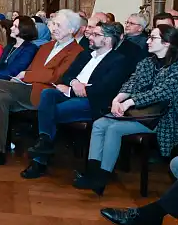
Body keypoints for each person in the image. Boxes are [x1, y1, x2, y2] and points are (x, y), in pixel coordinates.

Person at [74, 25, 178, 195]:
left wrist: (130, 102)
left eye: (153, 38)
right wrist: (118, 99)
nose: (148, 41)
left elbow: (161, 92)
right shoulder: (147, 62)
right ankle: (93, 173)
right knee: (99, 124)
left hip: (164, 117)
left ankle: (102, 179)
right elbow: (132, 83)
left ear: (167, 43)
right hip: (140, 111)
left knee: (114, 128)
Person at [0, 10, 84, 167]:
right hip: (28, 88)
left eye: (58, 25)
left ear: (71, 30)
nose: (53, 28)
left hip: (44, 94)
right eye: (53, 24)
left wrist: (28, 75)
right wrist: (29, 75)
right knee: (1, 96)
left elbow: (56, 76)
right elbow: (36, 70)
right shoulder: (46, 46)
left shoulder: (76, 51)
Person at [22, 23, 133, 179]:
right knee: (47, 94)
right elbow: (67, 75)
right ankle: (45, 143)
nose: (90, 37)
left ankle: (40, 159)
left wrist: (74, 88)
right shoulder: (85, 54)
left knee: (50, 112)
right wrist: (74, 83)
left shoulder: (118, 60)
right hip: (70, 93)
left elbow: (105, 88)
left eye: (95, 35)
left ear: (107, 39)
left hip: (92, 102)